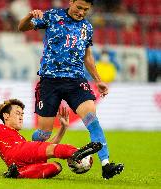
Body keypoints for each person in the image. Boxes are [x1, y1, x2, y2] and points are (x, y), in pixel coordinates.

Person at [18, 0, 123, 179]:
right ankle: (27, 157)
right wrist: (29, 16)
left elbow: (87, 56)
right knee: (43, 133)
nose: (81, 12)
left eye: (86, 10)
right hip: (49, 81)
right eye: (79, 7)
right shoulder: (52, 16)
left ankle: (106, 165)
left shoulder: (87, 28)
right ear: (71, 2)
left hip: (75, 81)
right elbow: (22, 27)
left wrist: (98, 80)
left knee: (92, 118)